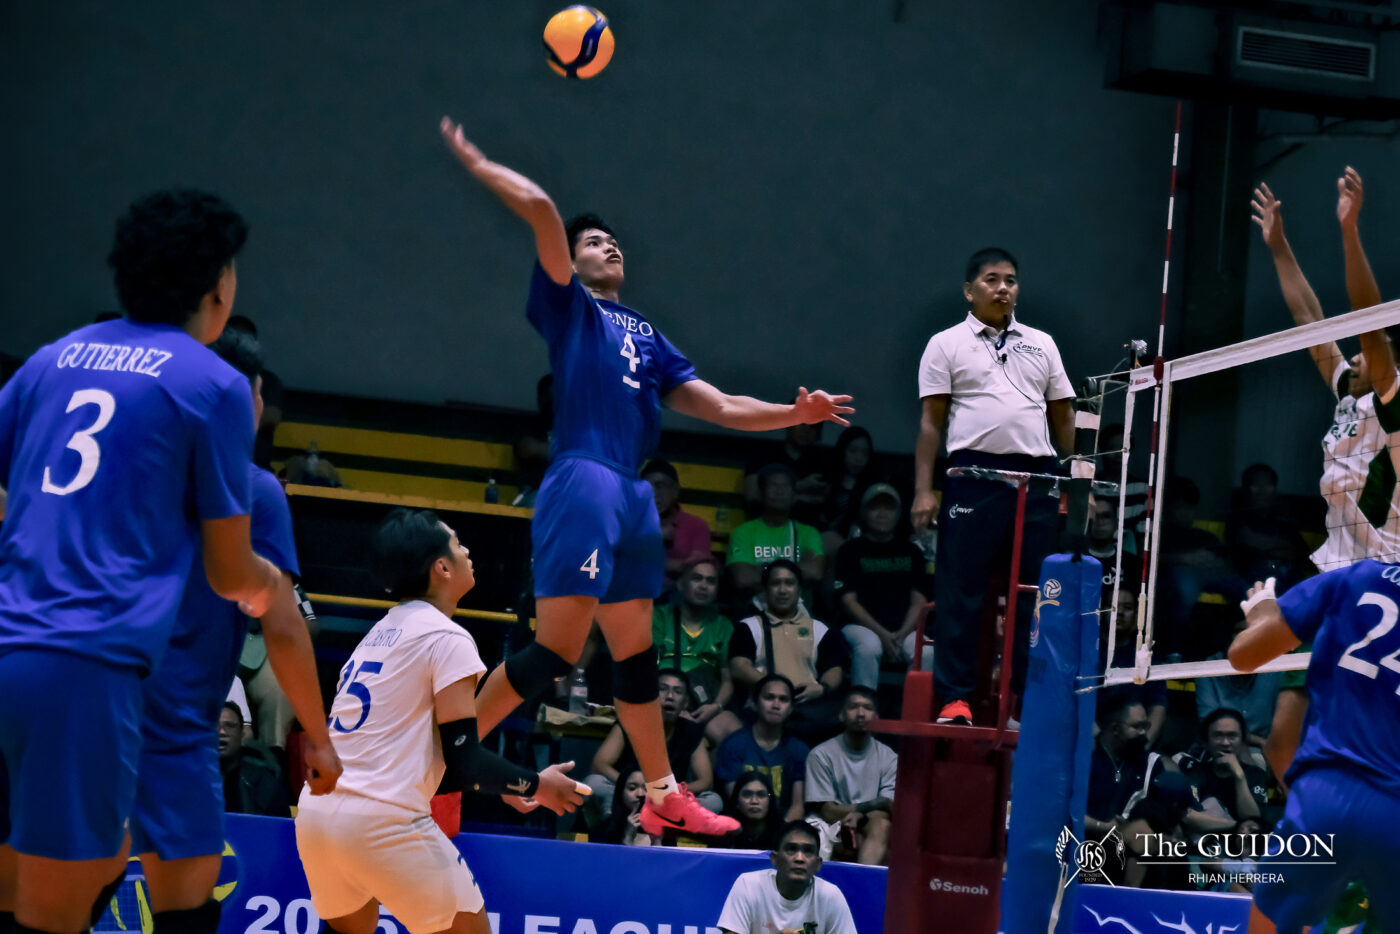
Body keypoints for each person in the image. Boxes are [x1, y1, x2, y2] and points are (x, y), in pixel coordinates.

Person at [440, 118, 852, 840]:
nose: (611, 246)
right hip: (583, 478)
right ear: (571, 263)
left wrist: (794, 413)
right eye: (594, 242)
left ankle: (662, 791)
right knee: (556, 651)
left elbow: (720, 406)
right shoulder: (569, 307)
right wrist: (479, 165)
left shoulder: (647, 334)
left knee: (636, 654)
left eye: (613, 241)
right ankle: (444, 760)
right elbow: (542, 212)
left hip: (632, 494)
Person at [0, 188, 308, 934]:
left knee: (14, 888)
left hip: (10, 646)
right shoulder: (213, 383)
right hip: (87, 664)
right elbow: (229, 573)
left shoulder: (50, 359)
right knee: (52, 913)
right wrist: (269, 584)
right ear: (218, 287)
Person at [130, 327, 338, 932]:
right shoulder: (253, 489)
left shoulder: (128, 465)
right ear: (245, 400)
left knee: (59, 894)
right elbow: (285, 628)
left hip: (85, 701)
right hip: (172, 725)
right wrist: (319, 738)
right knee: (186, 906)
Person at [294, 509, 585, 934]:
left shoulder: (376, 636)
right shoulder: (446, 637)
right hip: (383, 820)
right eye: (457, 543)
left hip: (318, 817)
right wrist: (537, 785)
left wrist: (508, 784)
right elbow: (465, 762)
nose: (467, 551)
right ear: (442, 568)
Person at [910, 247, 1077, 725]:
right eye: (991, 279)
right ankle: (955, 698)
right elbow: (931, 423)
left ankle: (1024, 700)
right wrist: (924, 490)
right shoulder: (945, 343)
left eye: (1010, 280)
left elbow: (1063, 415)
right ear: (969, 290)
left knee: (1035, 595)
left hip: (1037, 478)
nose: (1003, 288)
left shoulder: (1042, 343)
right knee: (962, 591)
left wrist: (1074, 479)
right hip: (972, 477)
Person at [1229, 561, 1400, 934]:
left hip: (1327, 796)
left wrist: (1262, 612)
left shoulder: (1356, 578)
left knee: (1272, 916)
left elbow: (1243, 656)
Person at [1252, 167, 1396, 572]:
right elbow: (1310, 321)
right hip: (1338, 556)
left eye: (1368, 354)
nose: (1356, 356)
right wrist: (1279, 247)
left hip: (1380, 563)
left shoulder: (1392, 401)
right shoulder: (1349, 390)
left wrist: (1349, 230)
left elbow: (1368, 321)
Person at [727, 560, 847, 742]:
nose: (783, 590)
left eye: (789, 583)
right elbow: (739, 666)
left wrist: (823, 688)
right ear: (765, 590)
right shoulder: (748, 627)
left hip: (807, 713)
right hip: (762, 713)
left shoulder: (820, 629)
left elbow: (834, 669)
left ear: (799, 589)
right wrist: (779, 690)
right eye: (776, 583)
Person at [584, 668, 721, 820]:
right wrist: (632, 786)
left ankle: (669, 826)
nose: (670, 696)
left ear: (685, 702)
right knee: (594, 783)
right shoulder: (630, 721)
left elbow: (706, 781)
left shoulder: (691, 731)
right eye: (662, 689)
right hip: (629, 796)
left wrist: (670, 791)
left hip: (668, 800)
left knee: (713, 801)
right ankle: (616, 823)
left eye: (677, 691)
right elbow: (599, 765)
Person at [832, 483, 932, 690]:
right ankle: (863, 705)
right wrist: (883, 635)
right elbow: (848, 602)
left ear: (899, 514)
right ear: (863, 512)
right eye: (875, 507)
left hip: (904, 629)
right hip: (860, 627)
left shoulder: (912, 552)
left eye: (889, 507)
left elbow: (919, 600)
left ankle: (914, 709)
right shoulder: (849, 551)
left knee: (927, 652)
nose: (882, 513)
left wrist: (900, 635)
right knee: (869, 646)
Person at [804, 688, 897, 866]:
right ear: (842, 715)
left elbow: (888, 806)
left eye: (867, 708)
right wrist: (866, 808)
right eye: (854, 707)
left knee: (882, 823)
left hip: (872, 822)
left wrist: (859, 814)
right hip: (832, 824)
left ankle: (863, 879)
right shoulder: (821, 754)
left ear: (876, 718)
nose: (861, 713)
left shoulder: (890, 757)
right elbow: (828, 812)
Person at [716, 820, 857, 934]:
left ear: (818, 864)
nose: (799, 858)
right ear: (775, 859)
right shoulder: (748, 885)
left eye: (808, 851)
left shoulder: (830, 895)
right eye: (791, 849)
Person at [651, 558, 734, 737]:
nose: (703, 586)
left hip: (704, 704)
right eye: (696, 578)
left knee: (733, 734)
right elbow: (645, 669)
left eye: (711, 581)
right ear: (681, 584)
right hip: (662, 698)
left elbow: (728, 680)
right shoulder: (659, 617)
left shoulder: (724, 626)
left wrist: (715, 707)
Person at [714, 674, 810, 822]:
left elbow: (797, 807)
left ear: (791, 708)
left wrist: (780, 831)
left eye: (783, 699)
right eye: (769, 698)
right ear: (755, 703)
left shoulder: (799, 749)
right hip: (742, 825)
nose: (776, 705)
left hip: (784, 824)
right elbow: (736, 803)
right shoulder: (734, 745)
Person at [728, 463, 826, 608]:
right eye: (773, 486)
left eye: (785, 486)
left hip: (799, 614)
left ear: (794, 495)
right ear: (761, 493)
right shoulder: (743, 532)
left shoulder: (809, 533)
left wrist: (762, 569)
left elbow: (815, 572)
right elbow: (743, 578)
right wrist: (796, 569)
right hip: (757, 611)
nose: (779, 491)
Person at [1176, 708, 1268, 829]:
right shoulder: (1195, 772)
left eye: (1232, 736)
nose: (1225, 743)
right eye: (1218, 736)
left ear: (1242, 740)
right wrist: (1237, 826)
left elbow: (1253, 823)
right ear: (1206, 741)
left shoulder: (1256, 774)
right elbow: (1188, 816)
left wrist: (1239, 777)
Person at [642, 458, 713, 593]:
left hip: (678, 595)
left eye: (660, 485)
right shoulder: (630, 523)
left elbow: (696, 568)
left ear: (675, 491)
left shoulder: (696, 526)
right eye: (646, 487)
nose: (653, 493)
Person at [217, 704, 289, 818]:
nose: (222, 731)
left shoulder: (265, 783)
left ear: (242, 735)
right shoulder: (190, 778)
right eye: (214, 725)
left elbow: (279, 826)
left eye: (230, 725)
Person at [817, 426, 878, 545]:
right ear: (842, 451)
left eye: (865, 453)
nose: (859, 458)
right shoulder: (825, 482)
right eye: (853, 451)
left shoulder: (872, 488)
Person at [588, 770, 653, 847]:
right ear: (621, 792)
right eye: (632, 788)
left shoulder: (664, 830)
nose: (640, 794)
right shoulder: (603, 831)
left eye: (647, 789)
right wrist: (628, 837)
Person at [724, 773, 783, 852]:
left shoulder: (784, 834)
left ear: (770, 801)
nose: (754, 801)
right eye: (747, 795)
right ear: (736, 801)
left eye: (761, 795)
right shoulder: (725, 833)